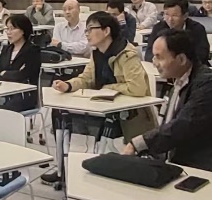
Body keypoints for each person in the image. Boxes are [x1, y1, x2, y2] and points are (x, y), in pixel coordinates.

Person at [37, 30, 212, 200]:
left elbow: (181, 127)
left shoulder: (209, 85)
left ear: (181, 59)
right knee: (120, 177)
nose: (153, 62)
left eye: (159, 57)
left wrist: (138, 144)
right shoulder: (182, 81)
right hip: (187, 165)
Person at [41, 12, 158, 185]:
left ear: (106, 31)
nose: (87, 33)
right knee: (60, 114)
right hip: (101, 107)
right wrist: (68, 85)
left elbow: (137, 88)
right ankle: (63, 169)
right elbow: (86, 78)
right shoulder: (96, 53)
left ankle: (101, 169)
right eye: (86, 30)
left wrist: (109, 88)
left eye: (91, 29)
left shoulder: (126, 54)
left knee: (102, 125)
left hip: (129, 114)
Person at [0, 14, 41, 112]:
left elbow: (25, 75)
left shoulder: (32, 50)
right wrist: (11, 74)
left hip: (24, 95)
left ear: (23, 30)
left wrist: (5, 73)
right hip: (3, 91)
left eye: (12, 29)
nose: (8, 32)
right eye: (7, 29)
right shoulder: (6, 49)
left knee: (1, 111)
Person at [143, 0, 210, 65]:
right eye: (167, 14)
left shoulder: (197, 28)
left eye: (174, 15)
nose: (170, 19)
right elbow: (149, 52)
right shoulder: (158, 28)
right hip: (165, 66)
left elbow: (202, 54)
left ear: (185, 16)